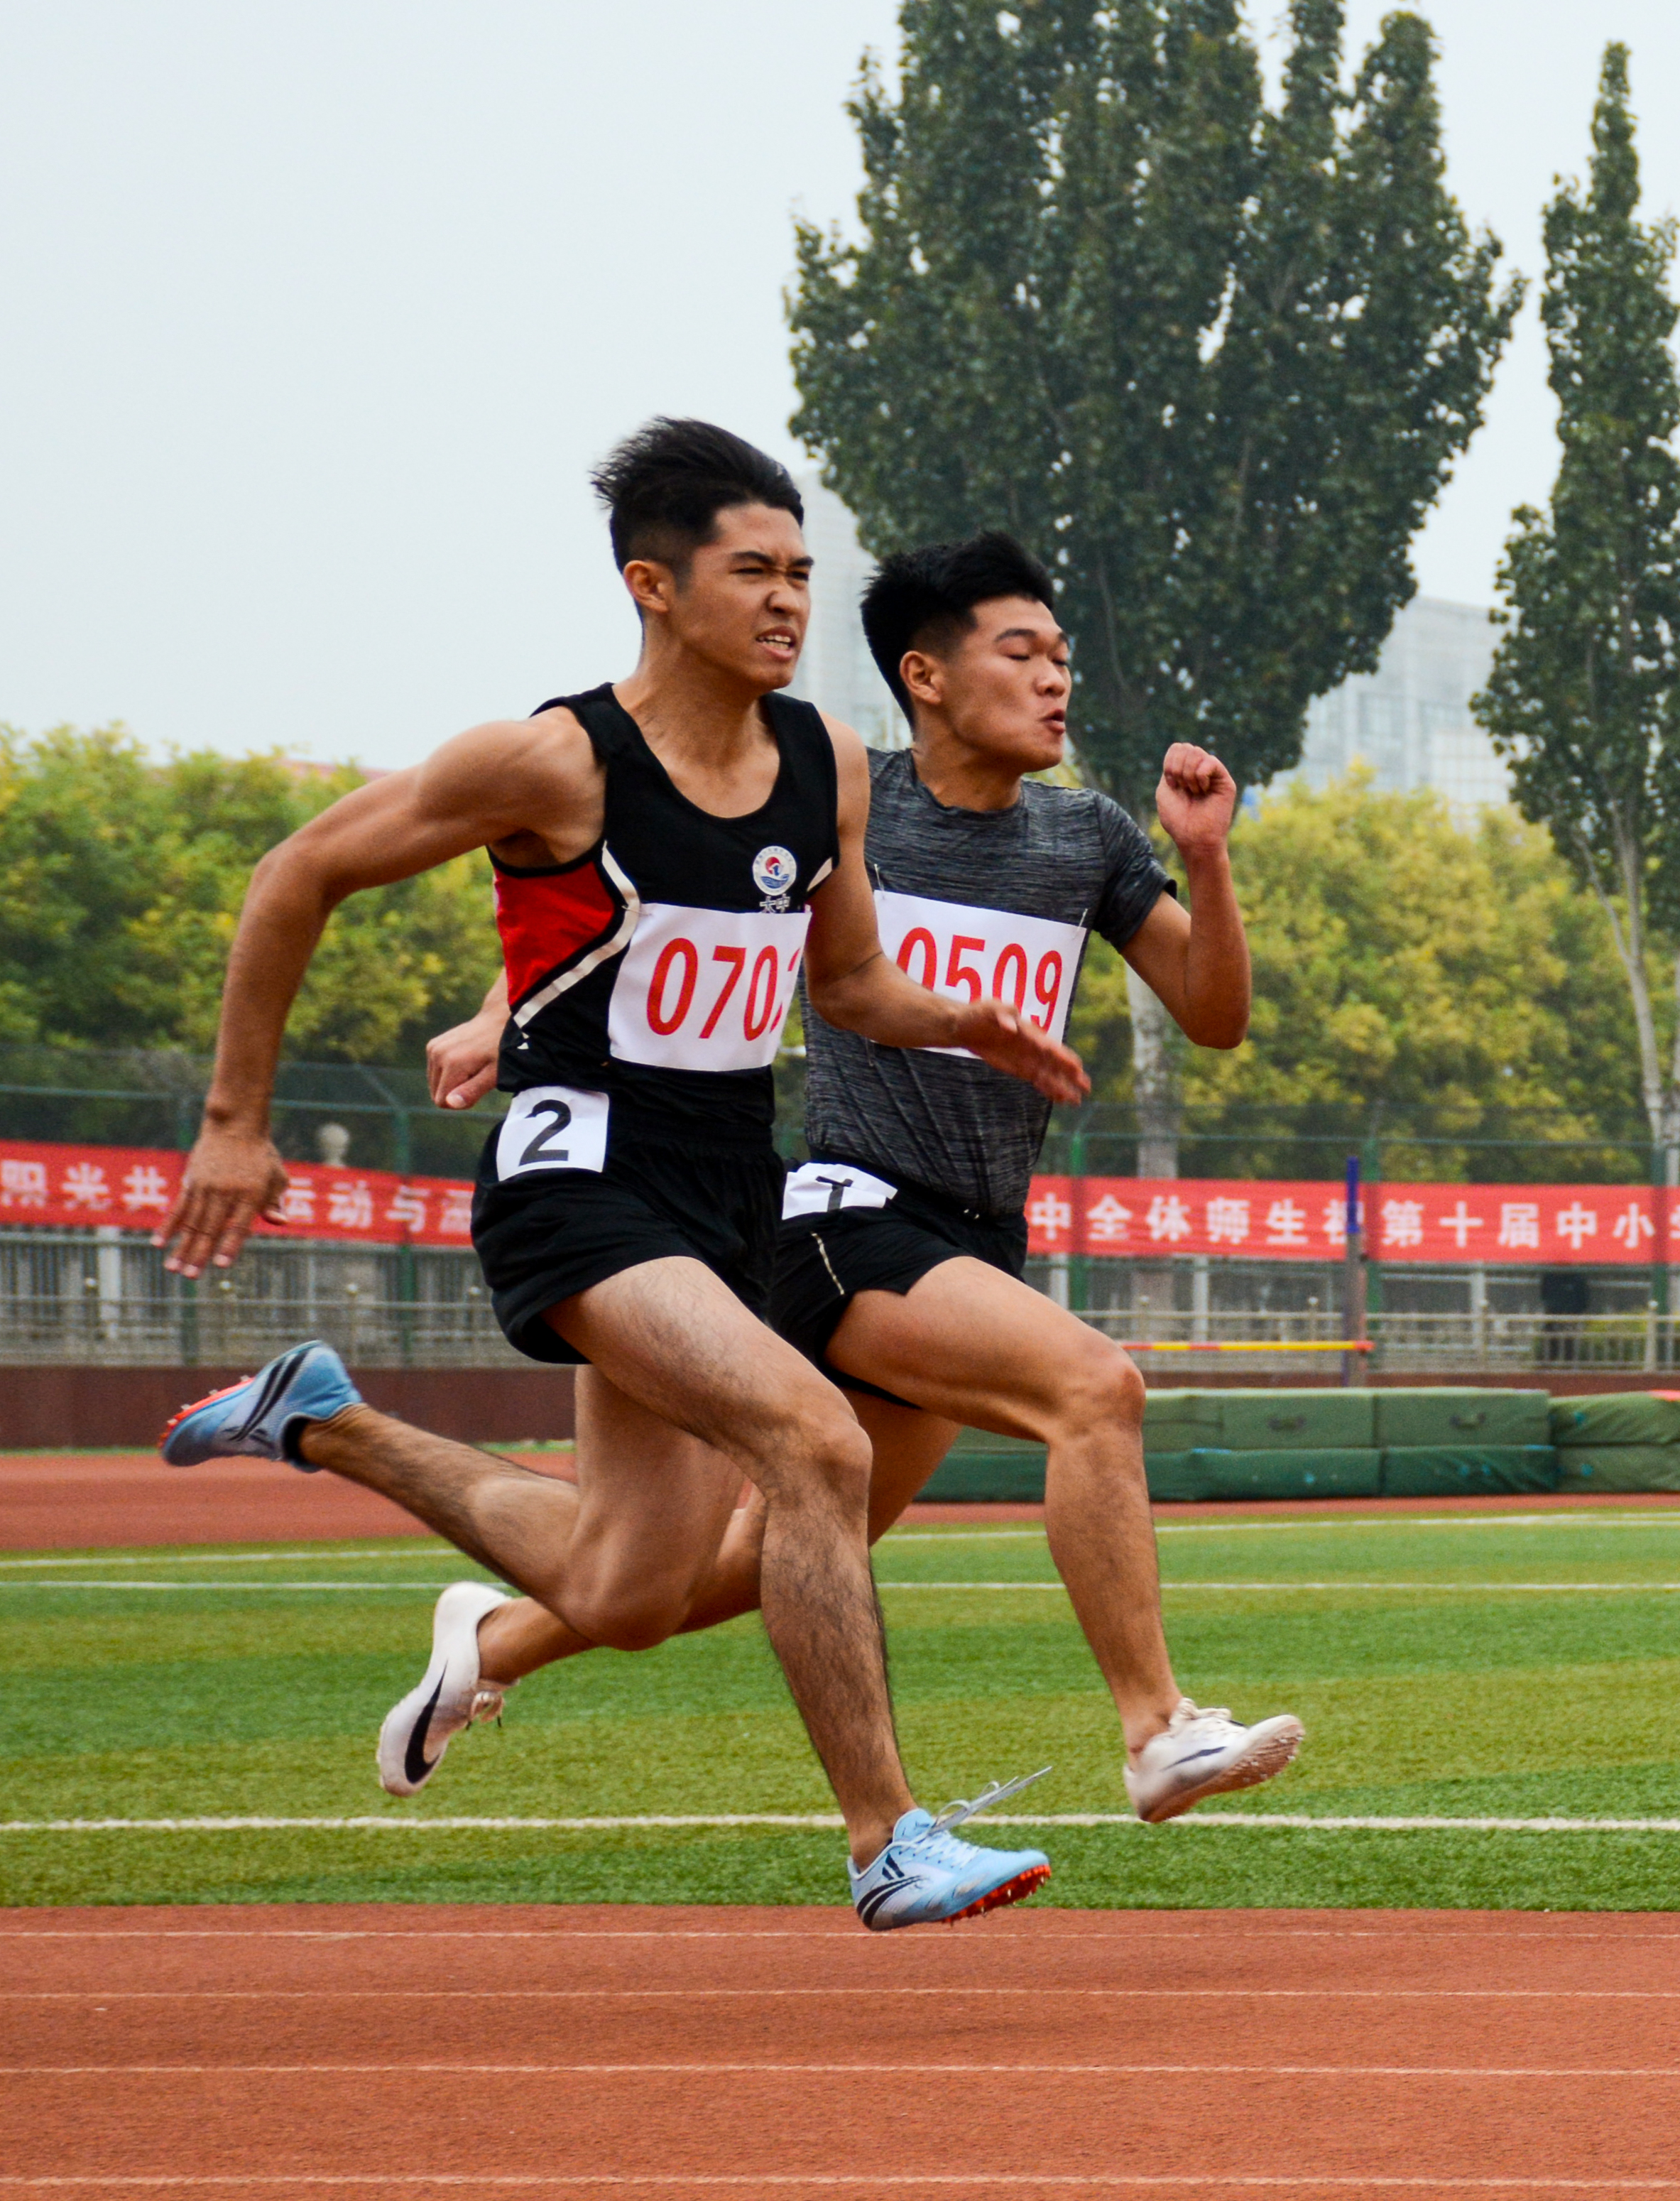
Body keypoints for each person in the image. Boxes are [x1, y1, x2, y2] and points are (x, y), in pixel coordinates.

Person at [154, 419, 1087, 1930]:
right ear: (654, 585)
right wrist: (232, 1120)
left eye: (801, 572)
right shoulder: (556, 759)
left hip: (725, 1183)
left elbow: (846, 981)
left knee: (628, 1591)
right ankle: (888, 1840)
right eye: (753, 572)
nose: (787, 601)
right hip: (579, 1169)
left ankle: (323, 1420)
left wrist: (964, 1019)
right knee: (816, 1443)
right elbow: (295, 873)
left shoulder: (823, 761)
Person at [398, 530, 1299, 1822]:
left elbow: (1214, 1016)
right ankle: (1158, 1730)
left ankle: (490, 1645)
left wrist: (1205, 857)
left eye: (1062, 656)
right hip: (842, 1213)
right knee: (1094, 1388)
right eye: (1022, 653)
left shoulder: (1087, 838)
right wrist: (505, 1015)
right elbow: (640, 895)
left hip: (975, 1241)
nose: (1056, 679)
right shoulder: (842, 796)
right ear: (925, 676)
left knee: (751, 1561)